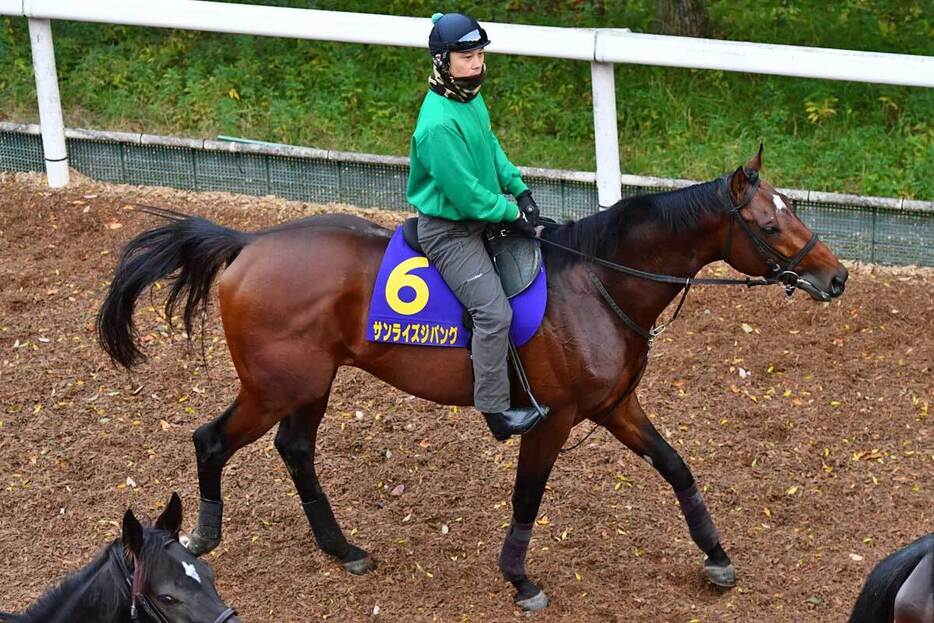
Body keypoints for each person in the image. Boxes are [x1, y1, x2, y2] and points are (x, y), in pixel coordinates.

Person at [406, 11, 549, 442]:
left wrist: (519, 189)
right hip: (450, 232)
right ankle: (495, 409)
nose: (477, 62)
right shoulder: (436, 125)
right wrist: (511, 214)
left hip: (480, 217)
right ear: (442, 59)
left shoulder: (469, 98)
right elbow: (466, 195)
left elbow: (490, 146)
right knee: (493, 313)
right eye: (466, 56)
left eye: (480, 53)